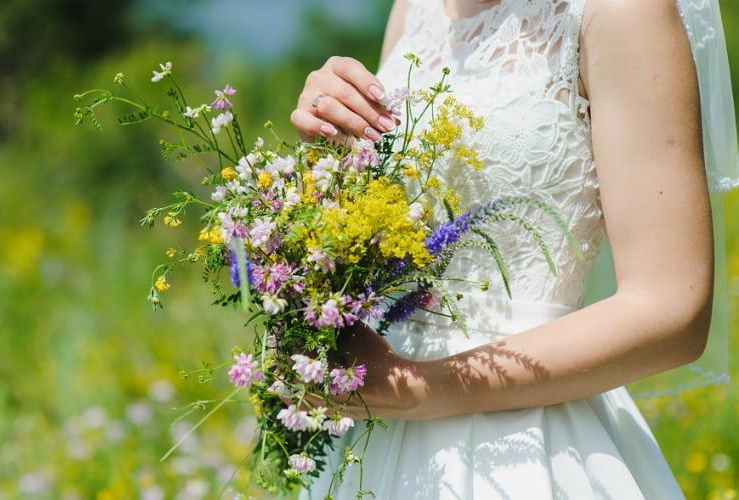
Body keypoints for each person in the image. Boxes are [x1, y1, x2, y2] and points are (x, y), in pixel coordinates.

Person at [289, 0, 733, 498]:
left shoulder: (621, 12)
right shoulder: (413, 9)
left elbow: (672, 309)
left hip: (529, 445)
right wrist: (331, 139)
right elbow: (394, 228)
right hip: (372, 439)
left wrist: (418, 388)